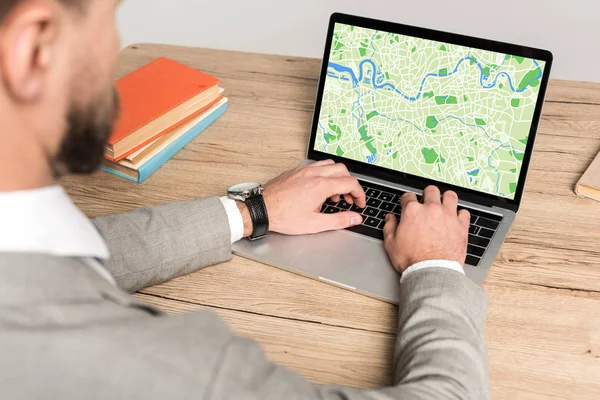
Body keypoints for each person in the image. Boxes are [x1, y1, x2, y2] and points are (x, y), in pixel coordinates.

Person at [0, 1, 490, 399]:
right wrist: (435, 266)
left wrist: (252, 211)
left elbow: (64, 263)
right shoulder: (162, 368)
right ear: (32, 46)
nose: (112, 48)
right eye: (108, 17)